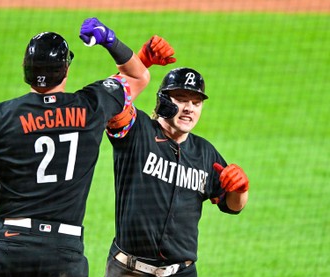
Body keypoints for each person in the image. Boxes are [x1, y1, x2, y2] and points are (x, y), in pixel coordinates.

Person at [0, 17, 152, 277]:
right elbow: (137, 75)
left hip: (10, 246)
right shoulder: (92, 106)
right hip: (64, 253)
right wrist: (110, 41)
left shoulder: (1, 116)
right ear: (66, 69)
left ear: (26, 69)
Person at [104, 42, 250, 276]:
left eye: (196, 102)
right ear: (163, 101)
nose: (189, 108)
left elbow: (232, 207)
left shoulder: (205, 153)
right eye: (181, 99)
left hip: (183, 272)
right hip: (130, 271)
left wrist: (241, 190)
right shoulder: (137, 132)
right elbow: (107, 101)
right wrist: (138, 65)